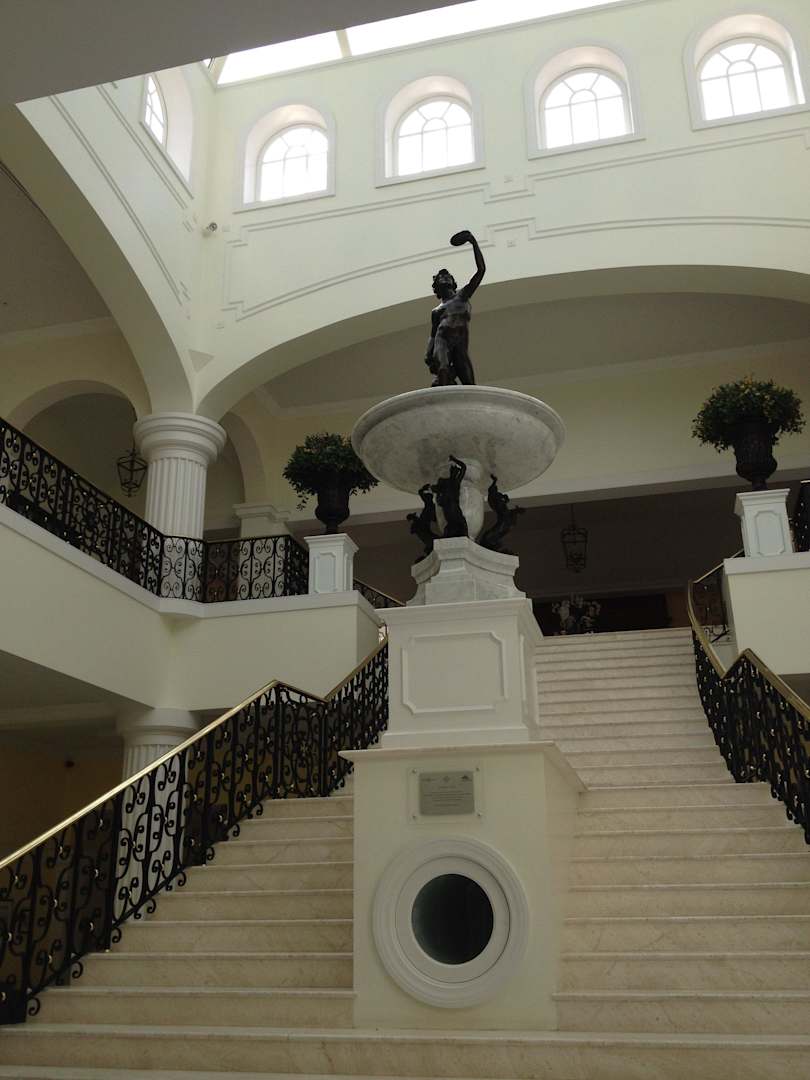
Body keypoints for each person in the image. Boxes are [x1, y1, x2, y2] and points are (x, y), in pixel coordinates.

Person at [425, 230, 486, 386]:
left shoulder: (463, 295)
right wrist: (428, 354)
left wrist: (473, 242)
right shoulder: (436, 310)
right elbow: (433, 335)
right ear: (436, 288)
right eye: (440, 277)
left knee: (470, 384)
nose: (444, 277)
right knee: (443, 370)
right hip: (442, 342)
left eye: (447, 276)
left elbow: (481, 271)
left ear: (453, 283)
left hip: (460, 344)